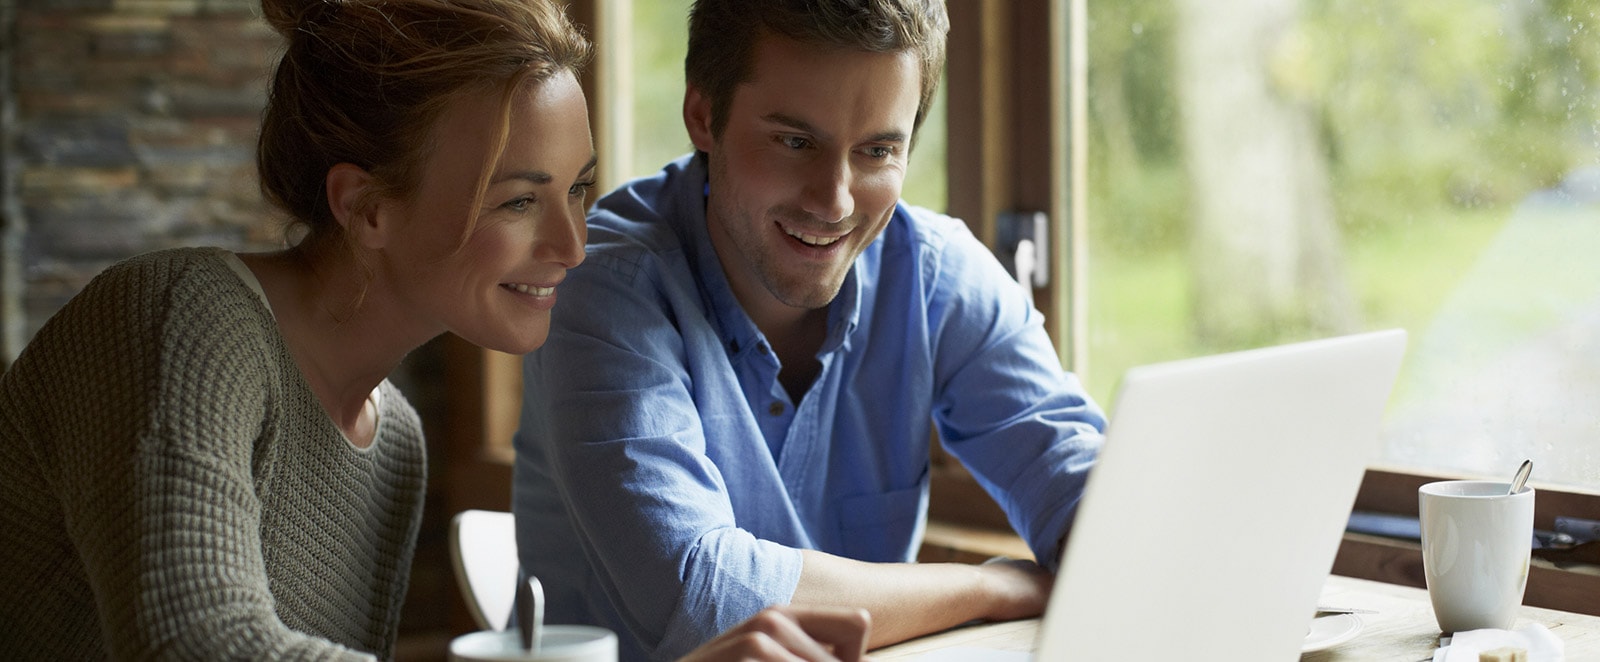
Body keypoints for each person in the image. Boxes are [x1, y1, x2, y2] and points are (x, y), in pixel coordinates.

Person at [0, 0, 870, 659]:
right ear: (367, 207)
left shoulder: (396, 442)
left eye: (578, 189)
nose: (574, 244)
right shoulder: (179, 322)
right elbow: (203, 647)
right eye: (521, 199)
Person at [511, 0, 1108, 659]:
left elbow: (1087, 487)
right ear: (704, 115)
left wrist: (1102, 535)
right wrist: (991, 590)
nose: (836, 201)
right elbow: (705, 597)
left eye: (877, 150)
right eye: (796, 142)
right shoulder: (602, 290)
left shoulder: (936, 276)